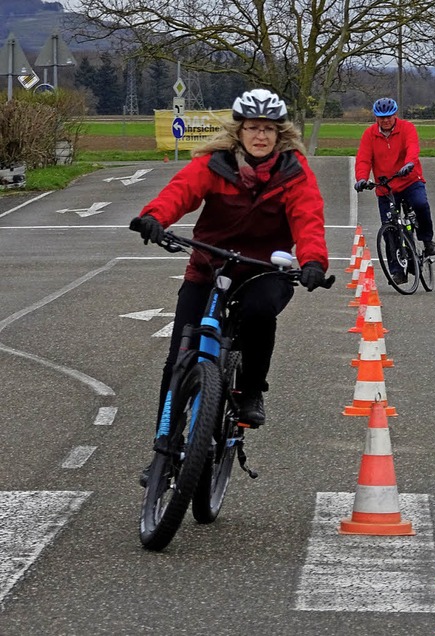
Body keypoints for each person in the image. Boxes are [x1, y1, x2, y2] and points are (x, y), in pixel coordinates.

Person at [130, 88, 330, 477]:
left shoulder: (294, 171)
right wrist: (154, 218)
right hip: (209, 264)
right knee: (177, 362)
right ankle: (164, 452)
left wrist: (312, 262)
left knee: (259, 311)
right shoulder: (214, 164)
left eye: (269, 129)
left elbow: (308, 218)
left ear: (280, 134)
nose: (261, 136)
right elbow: (180, 192)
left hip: (264, 268)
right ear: (239, 131)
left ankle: (251, 389)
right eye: (253, 128)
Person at [354, 97, 435, 284]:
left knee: (420, 204)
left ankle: (427, 240)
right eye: (381, 117)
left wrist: (409, 163)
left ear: (395, 115)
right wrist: (361, 178)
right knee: (389, 228)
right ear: (376, 118)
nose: (385, 120)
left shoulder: (407, 128)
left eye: (389, 117)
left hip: (409, 180)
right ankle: (397, 271)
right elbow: (363, 159)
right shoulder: (369, 135)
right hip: (386, 186)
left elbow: (412, 147)